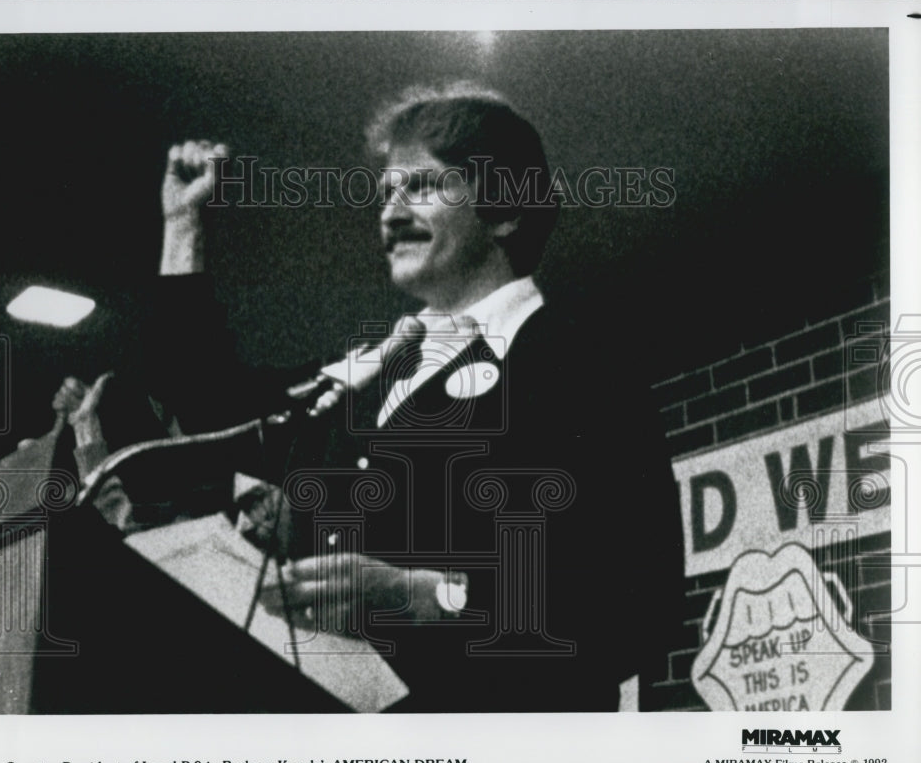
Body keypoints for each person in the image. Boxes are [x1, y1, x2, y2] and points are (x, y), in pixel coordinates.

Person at [137, 83, 685, 711]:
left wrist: (428, 597)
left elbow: (642, 604)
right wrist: (183, 227)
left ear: (505, 209)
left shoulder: (584, 368)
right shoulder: (373, 375)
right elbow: (207, 401)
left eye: (422, 187)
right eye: (386, 194)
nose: (390, 215)